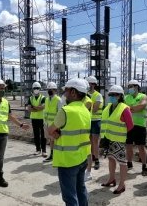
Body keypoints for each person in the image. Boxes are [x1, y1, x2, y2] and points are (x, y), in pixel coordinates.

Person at [48, 78, 91, 206]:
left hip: (68, 161)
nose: (64, 94)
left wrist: (56, 134)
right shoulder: (85, 110)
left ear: (73, 92)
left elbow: (50, 130)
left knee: (70, 197)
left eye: (66, 91)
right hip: (82, 158)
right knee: (81, 189)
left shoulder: (66, 111)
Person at [100, 85, 133, 195]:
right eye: (111, 94)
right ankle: (111, 179)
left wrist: (121, 134)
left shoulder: (124, 108)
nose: (112, 96)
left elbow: (130, 125)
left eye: (115, 94)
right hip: (108, 139)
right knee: (111, 159)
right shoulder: (108, 107)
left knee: (122, 163)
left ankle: (122, 184)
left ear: (120, 96)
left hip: (118, 140)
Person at [124, 79, 147, 176]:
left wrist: (129, 108)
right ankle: (129, 163)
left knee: (141, 147)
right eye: (129, 86)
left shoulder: (143, 96)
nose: (130, 88)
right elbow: (124, 108)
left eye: (132, 86)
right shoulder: (126, 97)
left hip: (140, 126)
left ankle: (144, 165)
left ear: (137, 87)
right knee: (128, 146)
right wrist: (134, 108)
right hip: (128, 125)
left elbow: (142, 106)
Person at [86, 76, 104, 171]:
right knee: (88, 141)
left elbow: (95, 109)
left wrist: (88, 105)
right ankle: (89, 159)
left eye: (90, 83)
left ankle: (96, 160)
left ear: (94, 84)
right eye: (88, 84)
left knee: (95, 142)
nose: (89, 85)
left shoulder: (98, 95)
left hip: (96, 121)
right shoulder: (85, 95)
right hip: (87, 121)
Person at [27, 81, 47, 157]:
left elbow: (42, 107)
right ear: (32, 89)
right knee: (36, 135)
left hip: (42, 118)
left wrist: (33, 107)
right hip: (34, 119)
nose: (36, 89)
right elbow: (29, 109)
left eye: (37, 88)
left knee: (43, 135)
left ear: (40, 89)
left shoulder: (43, 98)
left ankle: (44, 151)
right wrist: (37, 108)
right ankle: (38, 149)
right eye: (35, 88)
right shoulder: (30, 98)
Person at [43, 81, 61, 162]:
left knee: (57, 140)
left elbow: (60, 114)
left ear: (55, 90)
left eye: (51, 89)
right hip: (47, 124)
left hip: (55, 125)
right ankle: (52, 155)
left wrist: (58, 126)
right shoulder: (47, 99)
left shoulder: (58, 100)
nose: (50, 91)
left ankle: (57, 156)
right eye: (48, 89)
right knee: (51, 140)